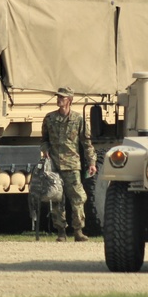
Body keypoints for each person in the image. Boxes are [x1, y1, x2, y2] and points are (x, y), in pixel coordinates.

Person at [40, 86, 97, 242]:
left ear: (69, 101)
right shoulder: (50, 118)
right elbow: (44, 140)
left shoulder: (78, 119)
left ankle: (78, 230)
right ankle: (61, 232)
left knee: (77, 198)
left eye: (62, 97)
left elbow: (87, 143)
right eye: (58, 97)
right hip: (55, 165)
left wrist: (92, 162)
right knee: (57, 198)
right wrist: (45, 149)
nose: (59, 100)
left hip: (72, 165)